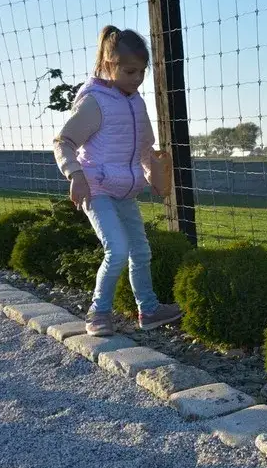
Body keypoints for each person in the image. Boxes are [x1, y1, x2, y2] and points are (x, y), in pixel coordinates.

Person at [53, 25, 183, 337]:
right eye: (129, 71)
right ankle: (98, 313)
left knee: (141, 250)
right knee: (118, 249)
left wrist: (153, 173)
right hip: (96, 189)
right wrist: (76, 175)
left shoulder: (136, 102)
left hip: (125, 191)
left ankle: (148, 309)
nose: (137, 79)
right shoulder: (94, 102)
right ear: (109, 65)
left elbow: (143, 149)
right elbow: (63, 142)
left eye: (141, 72)